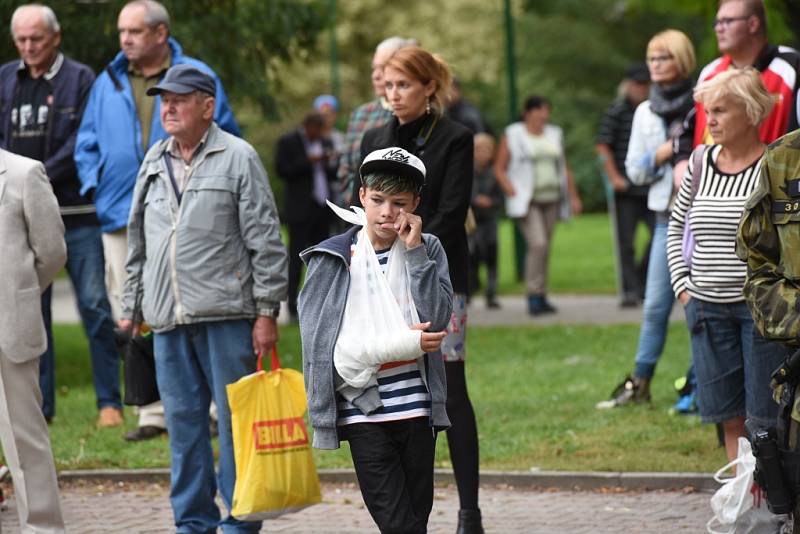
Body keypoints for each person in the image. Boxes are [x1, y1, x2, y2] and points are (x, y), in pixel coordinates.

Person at [118, 64, 288, 533]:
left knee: (237, 426)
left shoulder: (239, 156)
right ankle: (192, 522)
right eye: (163, 99)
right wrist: (130, 309)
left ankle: (238, 521)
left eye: (179, 99)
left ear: (207, 106)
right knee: (183, 427)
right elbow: (139, 242)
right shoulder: (154, 159)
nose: (167, 107)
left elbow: (266, 241)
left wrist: (267, 311)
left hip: (227, 314)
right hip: (167, 318)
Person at [75, 0, 240, 442]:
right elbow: (86, 141)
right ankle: (151, 410)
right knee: (128, 308)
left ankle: (205, 405)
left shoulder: (196, 73)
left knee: (193, 296)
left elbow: (225, 131)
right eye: (121, 32)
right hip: (118, 213)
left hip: (187, 215)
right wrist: (96, 184)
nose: (125, 39)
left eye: (134, 31)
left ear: (160, 33)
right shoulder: (106, 81)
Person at [355, 45, 485, 534]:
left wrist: (413, 246)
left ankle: (469, 509)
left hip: (437, 275)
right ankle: (402, 507)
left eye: (403, 85)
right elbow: (363, 209)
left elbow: (451, 215)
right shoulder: (374, 137)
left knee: (450, 388)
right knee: (392, 382)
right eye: (387, 85)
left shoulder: (455, 137)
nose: (393, 95)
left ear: (429, 87)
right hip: (376, 281)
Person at [299, 147, 451, 534]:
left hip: (416, 407)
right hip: (363, 409)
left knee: (416, 517)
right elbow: (320, 344)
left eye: (399, 203)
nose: (387, 213)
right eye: (378, 201)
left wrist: (415, 254)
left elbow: (437, 318)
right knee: (398, 522)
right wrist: (398, 342)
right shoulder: (333, 258)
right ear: (362, 196)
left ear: (415, 204)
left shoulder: (429, 248)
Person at [0, 4, 122, 428]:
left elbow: (83, 140)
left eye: (36, 39)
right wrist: (20, 188)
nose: (29, 47)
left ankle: (110, 402)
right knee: (30, 309)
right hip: (18, 217)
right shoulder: (5, 79)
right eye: (21, 40)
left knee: (94, 306)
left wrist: (34, 177)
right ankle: (40, 407)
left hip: (77, 213)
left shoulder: (81, 79)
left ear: (55, 37)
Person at [667, 67, 787, 462]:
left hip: (759, 314)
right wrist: (682, 287)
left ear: (751, 112)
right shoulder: (700, 161)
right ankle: (741, 501)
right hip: (704, 307)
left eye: (720, 111)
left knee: (764, 418)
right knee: (727, 417)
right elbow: (676, 226)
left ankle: (771, 503)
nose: (710, 120)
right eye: (707, 111)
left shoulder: (774, 165)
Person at [597, 30, 697, 409]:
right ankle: (640, 382)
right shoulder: (645, 111)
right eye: (652, 58)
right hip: (665, 217)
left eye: (663, 58)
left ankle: (699, 385)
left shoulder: (701, 102)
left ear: (681, 61)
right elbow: (634, 171)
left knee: (700, 307)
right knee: (655, 304)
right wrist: (664, 153)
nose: (655, 65)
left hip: (701, 220)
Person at [0, 147, 67, 533]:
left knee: (25, 443)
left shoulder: (25, 174)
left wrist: (21, 293)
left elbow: (53, 253)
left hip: (10, 329)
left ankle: (43, 528)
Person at [676, 0, 800, 164]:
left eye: (727, 21)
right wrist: (682, 161)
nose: (718, 28)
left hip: (774, 181)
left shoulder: (791, 66)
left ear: (753, 24)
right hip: (710, 182)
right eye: (717, 22)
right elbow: (689, 127)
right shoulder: (710, 73)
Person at [494, 95, 583, 315]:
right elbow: (499, 167)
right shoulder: (513, 134)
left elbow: (564, 166)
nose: (544, 115)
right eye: (539, 110)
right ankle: (533, 295)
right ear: (528, 112)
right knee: (538, 244)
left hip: (551, 198)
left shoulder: (554, 133)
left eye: (546, 110)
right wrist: (511, 190)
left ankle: (541, 295)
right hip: (527, 200)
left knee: (545, 249)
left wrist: (573, 196)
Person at [595, 63, 654, 308]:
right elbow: (602, 145)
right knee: (625, 242)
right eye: (637, 84)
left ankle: (643, 282)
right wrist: (613, 177)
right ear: (628, 85)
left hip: (650, 186)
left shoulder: (654, 111)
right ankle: (629, 289)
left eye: (645, 84)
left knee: (659, 237)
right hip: (625, 189)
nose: (641, 88)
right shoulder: (617, 111)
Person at [336, 36, 416, 206]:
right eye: (374, 68)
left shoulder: (421, 116)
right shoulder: (361, 114)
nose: (376, 75)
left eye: (384, 67)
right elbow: (346, 169)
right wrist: (367, 209)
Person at [275, 112, 336, 320]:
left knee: (323, 257)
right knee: (296, 259)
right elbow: (282, 169)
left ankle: (322, 304)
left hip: (322, 209)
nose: (318, 134)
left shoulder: (325, 142)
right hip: (300, 210)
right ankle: (292, 306)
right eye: (315, 129)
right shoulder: (289, 142)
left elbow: (331, 174)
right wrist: (309, 161)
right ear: (307, 126)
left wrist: (329, 162)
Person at [469, 133, 502, 309]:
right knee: (472, 255)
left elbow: (499, 198)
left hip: (489, 220)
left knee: (491, 255)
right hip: (473, 222)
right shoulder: (467, 172)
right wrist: (475, 200)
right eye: (480, 150)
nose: (483, 154)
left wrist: (491, 202)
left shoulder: (494, 174)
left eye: (487, 150)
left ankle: (491, 293)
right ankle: (470, 290)